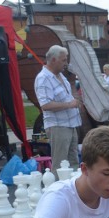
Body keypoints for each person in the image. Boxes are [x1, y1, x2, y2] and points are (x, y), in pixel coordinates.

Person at [35, 45, 82, 178]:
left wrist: (75, 100)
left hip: (70, 124)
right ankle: (59, 192)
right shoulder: (43, 78)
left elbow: (68, 96)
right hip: (58, 126)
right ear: (54, 60)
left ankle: (73, 191)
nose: (65, 63)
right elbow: (45, 105)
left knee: (73, 162)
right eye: (63, 60)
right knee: (61, 164)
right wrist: (69, 104)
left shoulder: (60, 75)